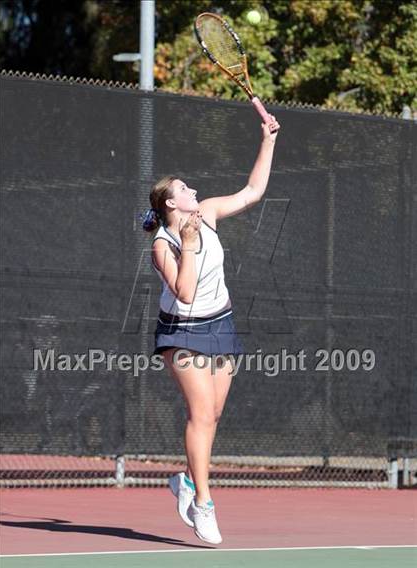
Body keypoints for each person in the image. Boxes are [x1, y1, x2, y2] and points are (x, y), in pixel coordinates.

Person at [141, 115, 280, 544]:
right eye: (184, 189)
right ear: (169, 203)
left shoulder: (207, 212)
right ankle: (203, 501)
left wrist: (268, 139)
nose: (194, 191)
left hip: (220, 323)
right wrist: (192, 242)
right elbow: (183, 292)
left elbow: (252, 192)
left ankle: (186, 480)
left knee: (215, 413)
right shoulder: (162, 246)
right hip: (182, 332)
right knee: (201, 414)